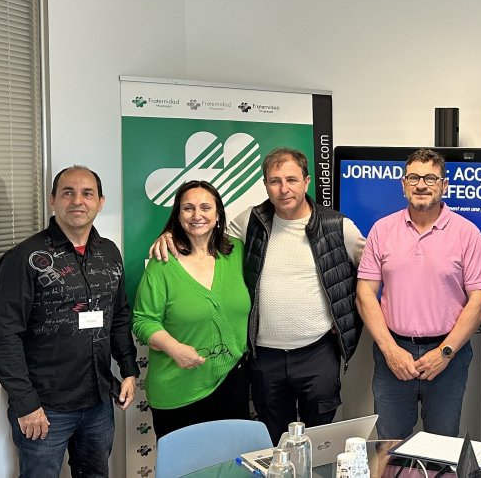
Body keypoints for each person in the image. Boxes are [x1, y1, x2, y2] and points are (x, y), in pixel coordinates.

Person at [151, 147, 364, 443]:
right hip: (264, 358)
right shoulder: (250, 221)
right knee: (272, 442)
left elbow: (372, 272)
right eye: (274, 181)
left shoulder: (338, 227)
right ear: (265, 185)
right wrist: (171, 235)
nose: (284, 188)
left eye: (291, 179)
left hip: (317, 353)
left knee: (319, 441)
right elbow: (206, 238)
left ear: (307, 181)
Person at [0, 166, 139, 477]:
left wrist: (128, 369)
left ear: (100, 202)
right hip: (46, 407)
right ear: (52, 200)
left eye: (87, 193)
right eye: (68, 192)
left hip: (99, 402)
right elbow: (5, 336)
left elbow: (119, 317)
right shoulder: (23, 258)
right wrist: (26, 403)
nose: (78, 200)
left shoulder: (110, 253)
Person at [356, 148, 481, 439]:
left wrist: (444, 353)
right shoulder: (382, 230)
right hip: (393, 354)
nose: (421, 185)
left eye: (430, 178)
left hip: (448, 356)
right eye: (413, 177)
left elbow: (480, 301)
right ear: (403, 184)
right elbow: (364, 294)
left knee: (441, 448)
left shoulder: (467, 233)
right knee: (390, 446)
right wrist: (390, 351)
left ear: (444, 185)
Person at [133, 181, 252, 437]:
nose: (197, 215)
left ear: (218, 214)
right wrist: (174, 348)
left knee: (230, 468)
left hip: (231, 383)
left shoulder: (236, 254)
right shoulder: (163, 263)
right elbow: (143, 321)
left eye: (205, 207)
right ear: (178, 215)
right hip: (179, 390)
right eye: (188, 208)